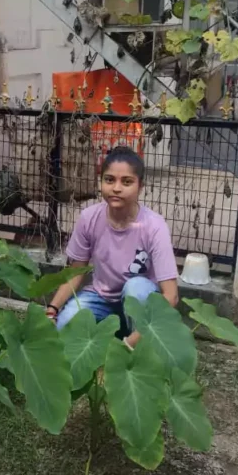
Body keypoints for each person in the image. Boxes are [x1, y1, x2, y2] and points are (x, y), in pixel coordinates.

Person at [46, 146, 178, 347]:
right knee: (64, 328)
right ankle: (116, 330)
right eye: (109, 180)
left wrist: (129, 345)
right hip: (100, 297)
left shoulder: (154, 226)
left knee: (136, 287)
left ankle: (135, 337)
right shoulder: (89, 218)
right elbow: (75, 271)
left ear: (140, 187)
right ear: (101, 182)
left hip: (138, 302)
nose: (116, 188)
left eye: (127, 182)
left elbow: (171, 296)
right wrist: (53, 309)